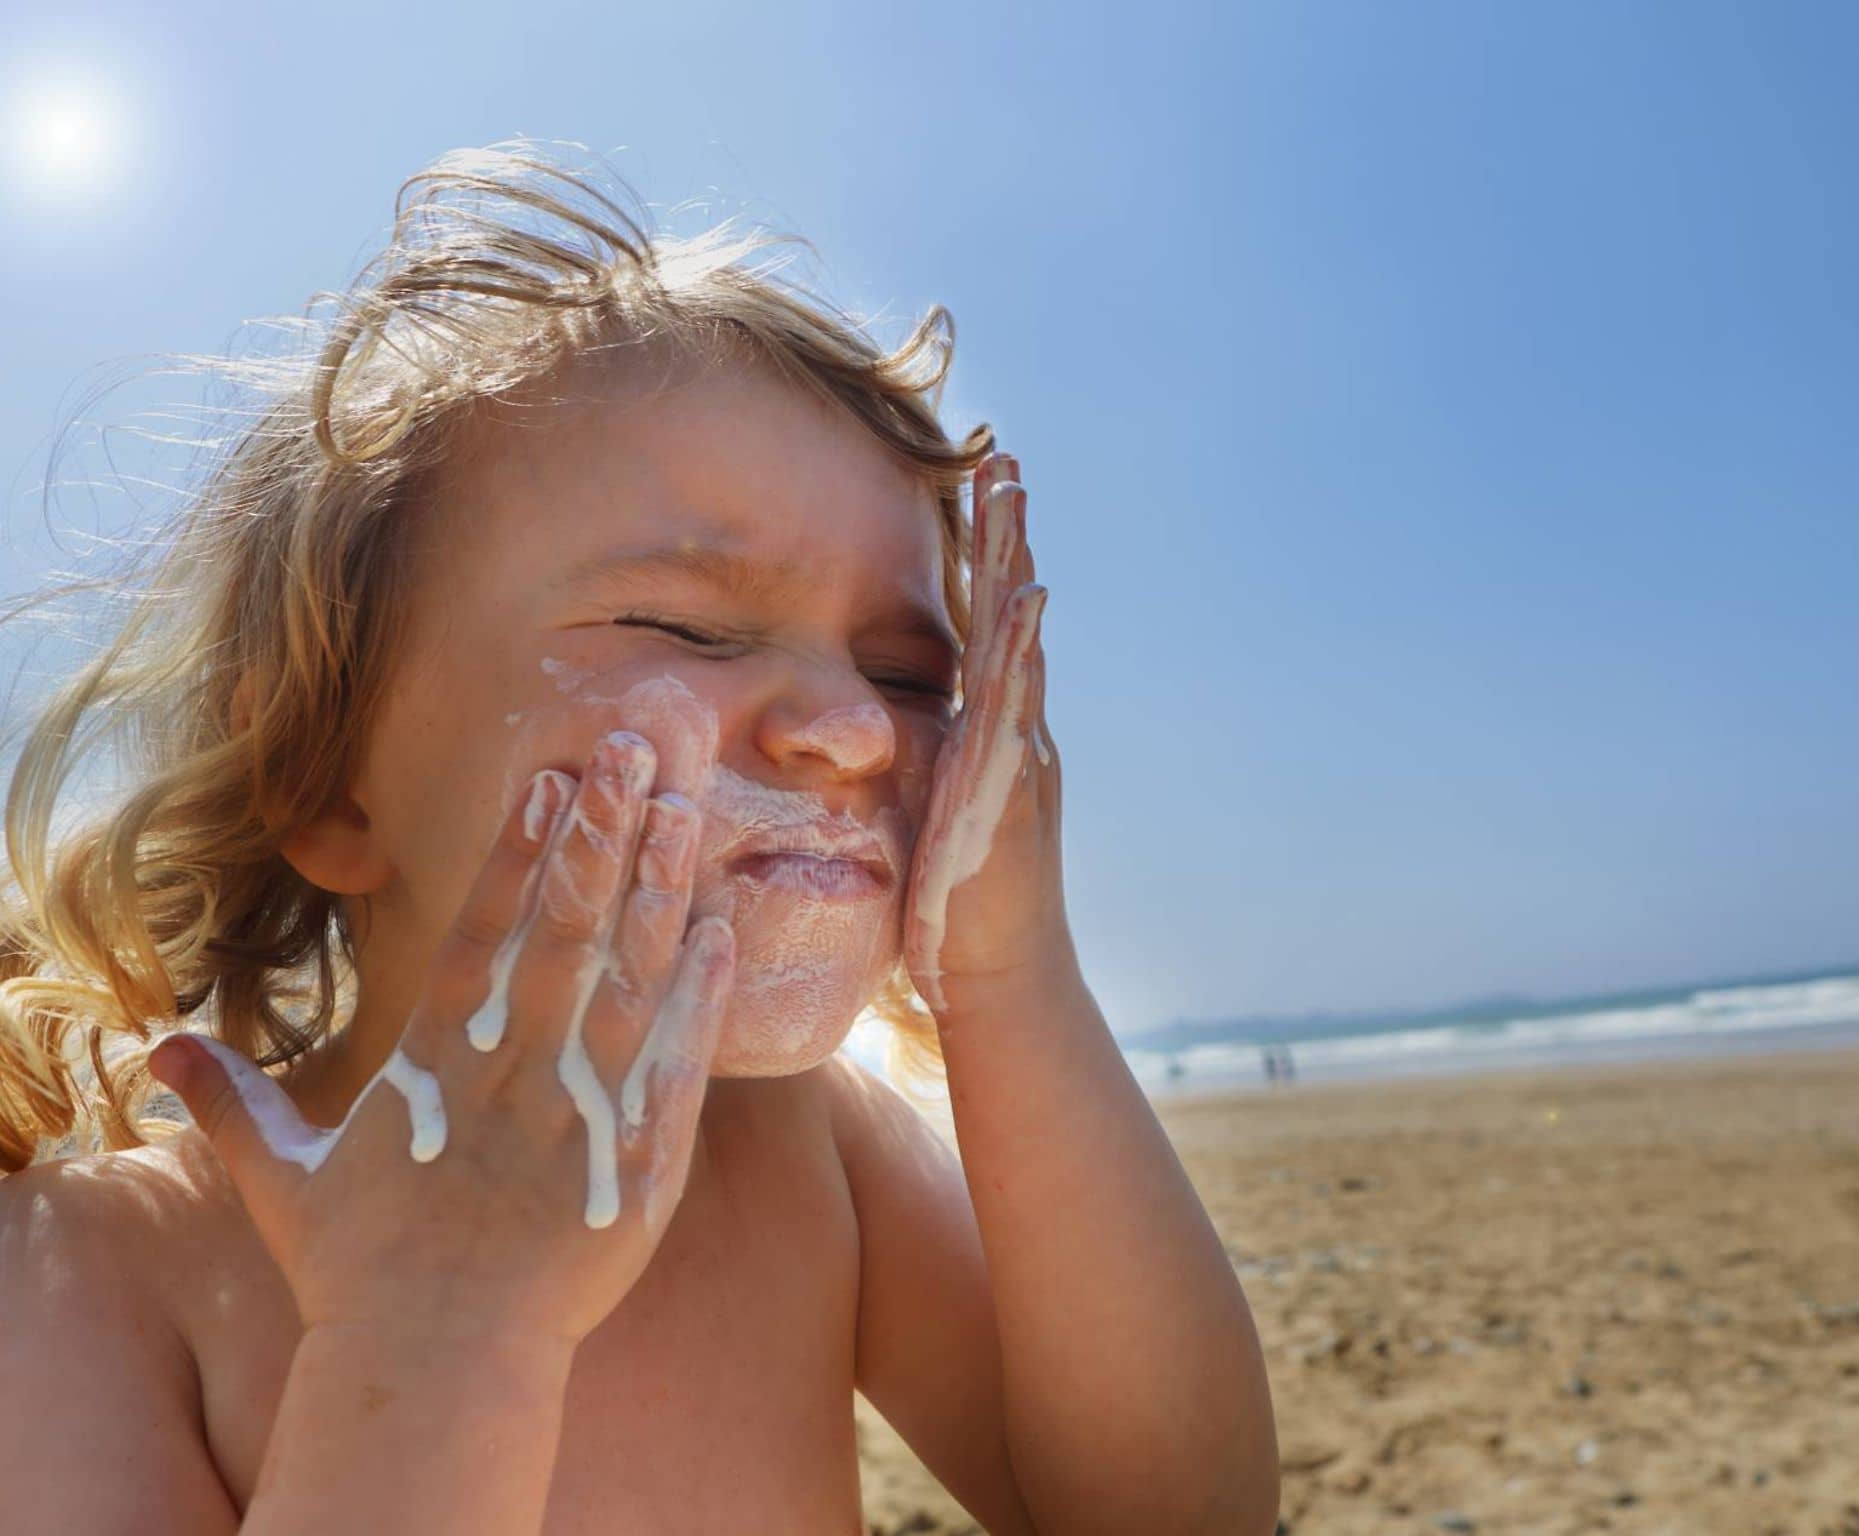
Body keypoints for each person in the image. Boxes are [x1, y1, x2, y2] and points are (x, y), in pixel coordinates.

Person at [0, 144, 1278, 1534]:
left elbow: (1164, 1512)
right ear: (332, 787)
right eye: (687, 629)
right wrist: (429, 1339)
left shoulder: (797, 1148)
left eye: (912, 677)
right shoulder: (94, 1268)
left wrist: (1013, 977)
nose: (851, 730)